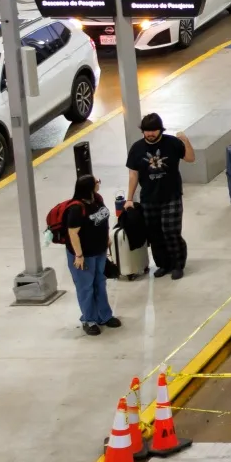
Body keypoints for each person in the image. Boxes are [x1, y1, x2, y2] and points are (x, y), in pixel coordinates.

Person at [125, 113, 196, 278]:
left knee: (171, 231)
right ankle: (164, 264)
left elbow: (191, 158)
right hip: (149, 198)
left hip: (171, 195)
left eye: (153, 130)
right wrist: (129, 199)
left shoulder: (172, 143)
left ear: (160, 130)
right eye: (146, 131)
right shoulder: (137, 148)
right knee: (154, 234)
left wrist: (185, 140)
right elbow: (133, 175)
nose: (150, 134)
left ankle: (178, 264)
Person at [62, 174, 119, 336]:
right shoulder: (76, 208)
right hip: (83, 256)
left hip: (99, 251)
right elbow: (73, 233)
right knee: (86, 287)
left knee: (100, 283)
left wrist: (106, 238)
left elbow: (102, 220)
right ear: (88, 187)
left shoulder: (97, 199)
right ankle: (89, 320)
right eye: (96, 182)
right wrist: (79, 256)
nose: (98, 184)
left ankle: (104, 316)